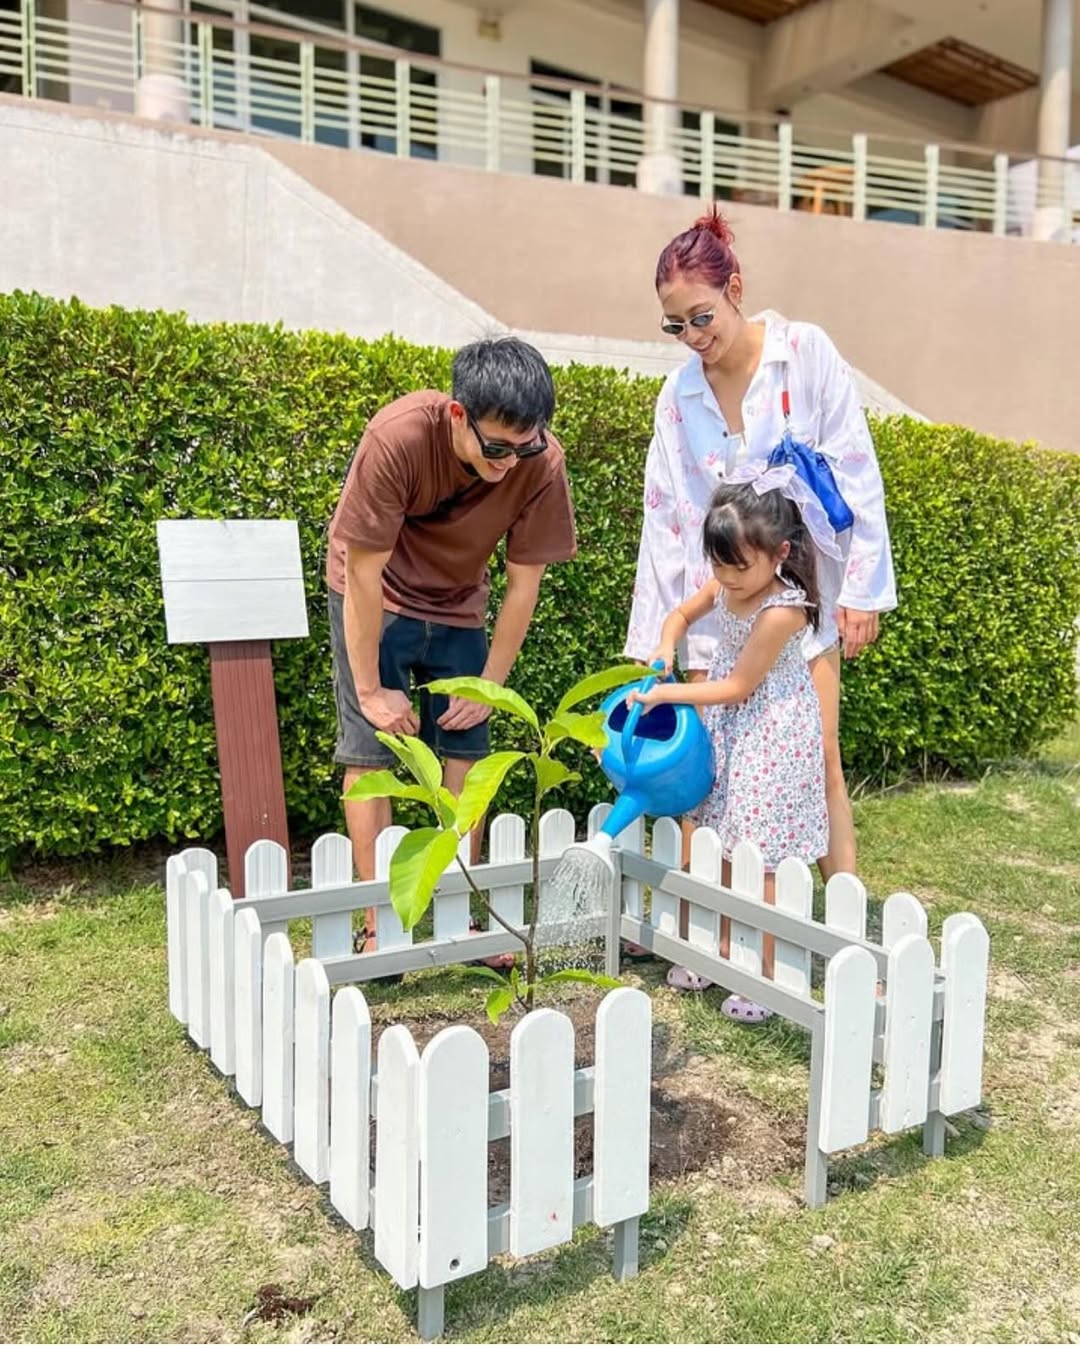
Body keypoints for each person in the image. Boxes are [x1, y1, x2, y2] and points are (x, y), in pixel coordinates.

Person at [625, 205, 897, 1001]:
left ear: (736, 288)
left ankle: (846, 940)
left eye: (700, 316)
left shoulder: (805, 354)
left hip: (800, 601)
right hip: (715, 604)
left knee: (820, 764)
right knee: (701, 782)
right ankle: (710, 939)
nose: (692, 335)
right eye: (675, 325)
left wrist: (865, 591)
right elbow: (669, 515)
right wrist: (663, 630)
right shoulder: (678, 397)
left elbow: (855, 468)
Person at [326, 336, 577, 959]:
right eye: (497, 447)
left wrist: (491, 686)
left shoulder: (541, 462)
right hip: (374, 594)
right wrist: (368, 689)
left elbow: (524, 585)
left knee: (465, 746)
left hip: (458, 602)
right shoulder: (400, 436)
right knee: (371, 751)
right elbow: (361, 571)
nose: (511, 462)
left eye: (527, 445)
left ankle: (458, 912)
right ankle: (377, 919)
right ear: (458, 415)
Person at [628, 474, 830, 1021]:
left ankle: (766, 975)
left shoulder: (783, 609)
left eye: (739, 566)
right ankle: (716, 951)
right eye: (719, 564)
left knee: (761, 852)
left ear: (779, 553)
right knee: (718, 837)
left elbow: (739, 685)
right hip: (733, 727)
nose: (727, 578)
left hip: (772, 731)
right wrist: (664, 649)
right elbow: (678, 615)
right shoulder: (726, 583)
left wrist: (667, 692)